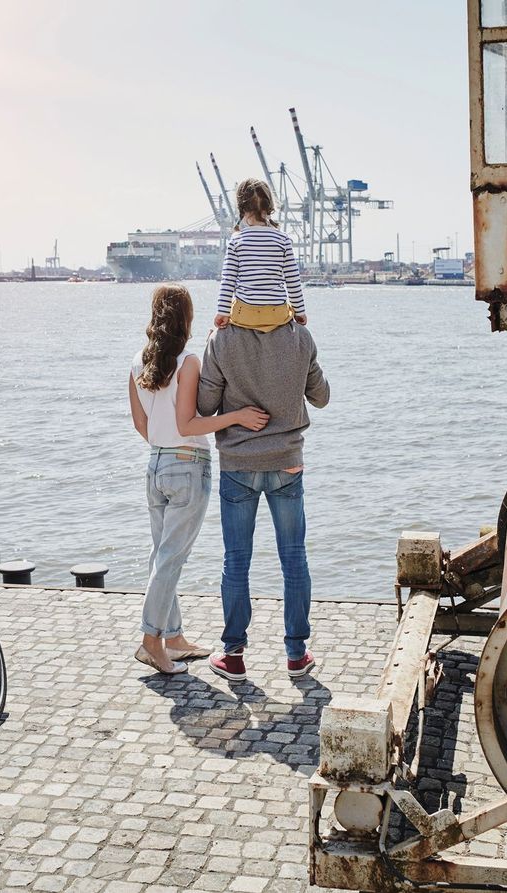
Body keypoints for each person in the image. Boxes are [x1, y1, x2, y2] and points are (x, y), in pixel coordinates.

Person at [128, 284, 269, 675]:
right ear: (185, 319)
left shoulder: (137, 361)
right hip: (188, 464)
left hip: (155, 465)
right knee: (171, 559)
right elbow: (188, 423)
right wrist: (236, 417)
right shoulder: (188, 361)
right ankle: (150, 642)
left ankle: (172, 636)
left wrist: (163, 448)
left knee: (162, 556)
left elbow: (141, 424)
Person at [197, 303, 330, 682]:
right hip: (287, 461)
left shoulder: (221, 340)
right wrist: (303, 355)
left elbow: (205, 405)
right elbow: (321, 397)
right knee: (294, 558)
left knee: (236, 560)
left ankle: (234, 656)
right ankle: (296, 655)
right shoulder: (300, 337)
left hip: (238, 464)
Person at [214, 179, 307, 333]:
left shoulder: (236, 240)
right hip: (277, 315)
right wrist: (300, 311)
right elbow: (293, 281)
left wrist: (222, 312)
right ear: (270, 206)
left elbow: (228, 280)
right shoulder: (283, 239)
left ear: (241, 208)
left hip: (245, 315)